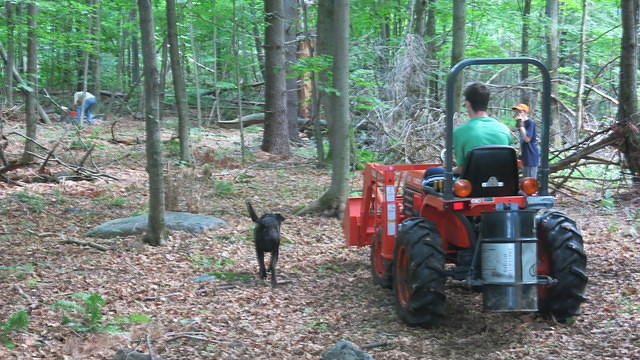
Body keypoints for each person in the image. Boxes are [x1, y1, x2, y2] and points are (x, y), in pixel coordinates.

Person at [423, 82, 511, 186]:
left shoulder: (460, 132)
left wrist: (449, 169)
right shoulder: (505, 130)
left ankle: (436, 200)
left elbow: (461, 169)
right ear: (486, 103)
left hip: (470, 187)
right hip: (501, 184)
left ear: (467, 104)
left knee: (430, 174)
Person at [512, 103, 540, 179]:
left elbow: (527, 139)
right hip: (525, 155)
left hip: (531, 155)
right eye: (517, 112)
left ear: (525, 112)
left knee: (530, 181)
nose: (517, 113)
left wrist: (521, 125)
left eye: (520, 111)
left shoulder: (530, 123)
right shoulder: (522, 124)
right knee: (525, 180)